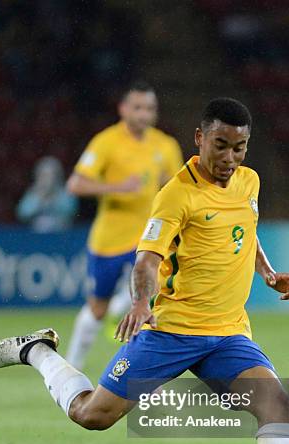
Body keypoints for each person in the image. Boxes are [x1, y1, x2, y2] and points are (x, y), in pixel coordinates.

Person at [0, 97, 289, 444]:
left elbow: (245, 234)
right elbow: (146, 260)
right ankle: (37, 352)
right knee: (93, 416)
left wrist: (268, 274)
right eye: (221, 146)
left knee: (275, 403)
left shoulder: (249, 182)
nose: (230, 158)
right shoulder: (176, 192)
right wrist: (140, 303)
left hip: (227, 333)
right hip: (171, 332)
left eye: (239, 148)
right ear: (199, 139)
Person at [65, 81, 183, 369]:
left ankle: (144, 375)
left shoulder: (165, 145)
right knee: (97, 308)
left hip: (148, 240)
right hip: (109, 239)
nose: (144, 114)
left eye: (150, 108)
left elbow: (180, 187)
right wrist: (117, 187)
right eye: (138, 108)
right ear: (123, 109)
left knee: (152, 304)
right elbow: (76, 184)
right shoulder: (106, 142)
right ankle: (70, 367)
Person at [17, 156, 78, 232]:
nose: (47, 179)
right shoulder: (32, 193)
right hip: (36, 236)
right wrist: (40, 199)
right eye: (43, 175)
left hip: (60, 234)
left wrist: (53, 199)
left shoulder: (66, 193)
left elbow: (70, 211)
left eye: (51, 175)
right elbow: (23, 214)